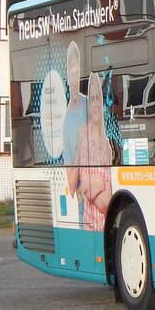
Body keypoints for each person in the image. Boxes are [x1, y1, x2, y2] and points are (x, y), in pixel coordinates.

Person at [77, 71, 113, 231]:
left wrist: (100, 184)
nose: (96, 103)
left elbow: (107, 200)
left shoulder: (107, 145)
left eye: (98, 97)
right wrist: (104, 184)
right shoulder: (85, 140)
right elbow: (94, 194)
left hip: (106, 226)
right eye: (92, 99)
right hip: (92, 227)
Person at [62, 40, 88, 198]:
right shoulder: (67, 122)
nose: (74, 80)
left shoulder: (91, 103)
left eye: (77, 74)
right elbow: (71, 187)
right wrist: (81, 145)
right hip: (82, 203)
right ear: (67, 75)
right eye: (72, 74)